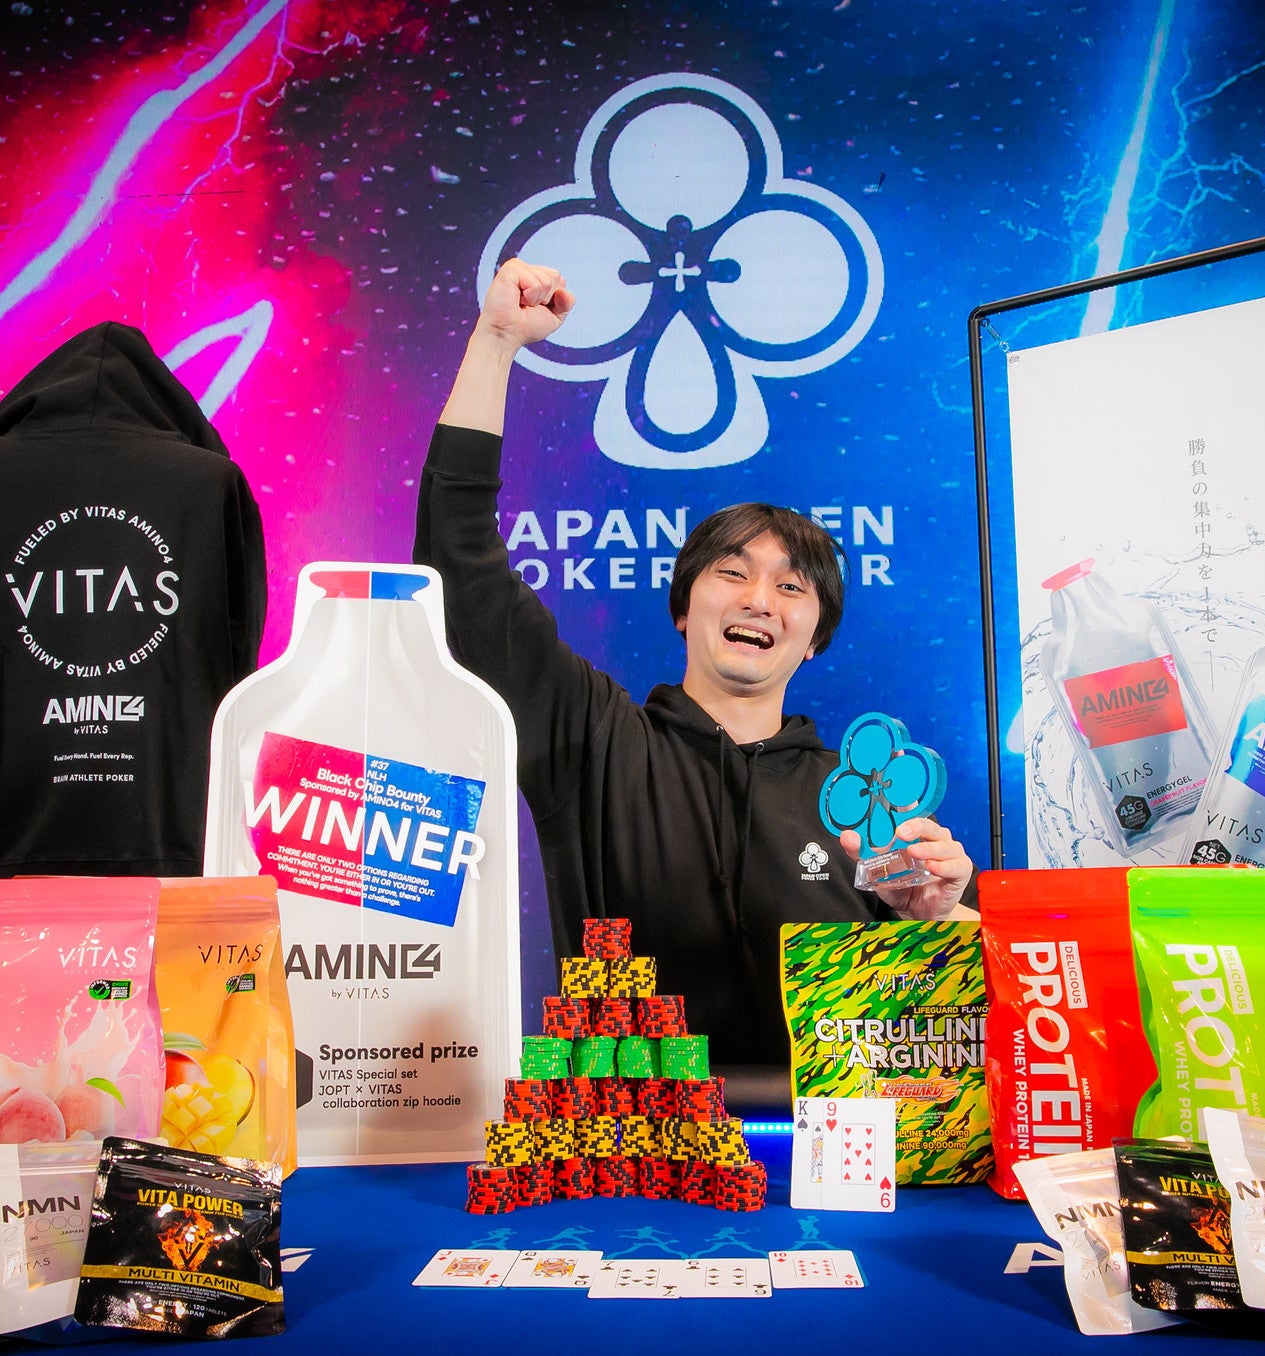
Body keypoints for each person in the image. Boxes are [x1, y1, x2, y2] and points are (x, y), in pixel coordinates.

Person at [413, 258, 974, 1066]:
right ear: (684, 607)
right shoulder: (592, 740)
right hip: (635, 1128)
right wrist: (496, 340)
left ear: (816, 635)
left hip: (824, 1137)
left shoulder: (863, 799)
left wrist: (940, 918)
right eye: (733, 574)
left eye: (792, 587)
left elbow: (953, 1033)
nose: (760, 600)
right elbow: (458, 566)